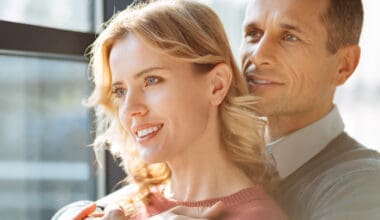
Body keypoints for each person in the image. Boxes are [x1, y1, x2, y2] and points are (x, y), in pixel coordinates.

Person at [52, 0, 286, 219]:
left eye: (151, 80)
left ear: (217, 85)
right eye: (120, 91)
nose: (130, 109)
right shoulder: (124, 206)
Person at [240, 0, 380, 219]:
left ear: (345, 65)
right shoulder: (224, 164)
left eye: (289, 37)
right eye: (253, 33)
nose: (258, 55)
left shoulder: (365, 184)